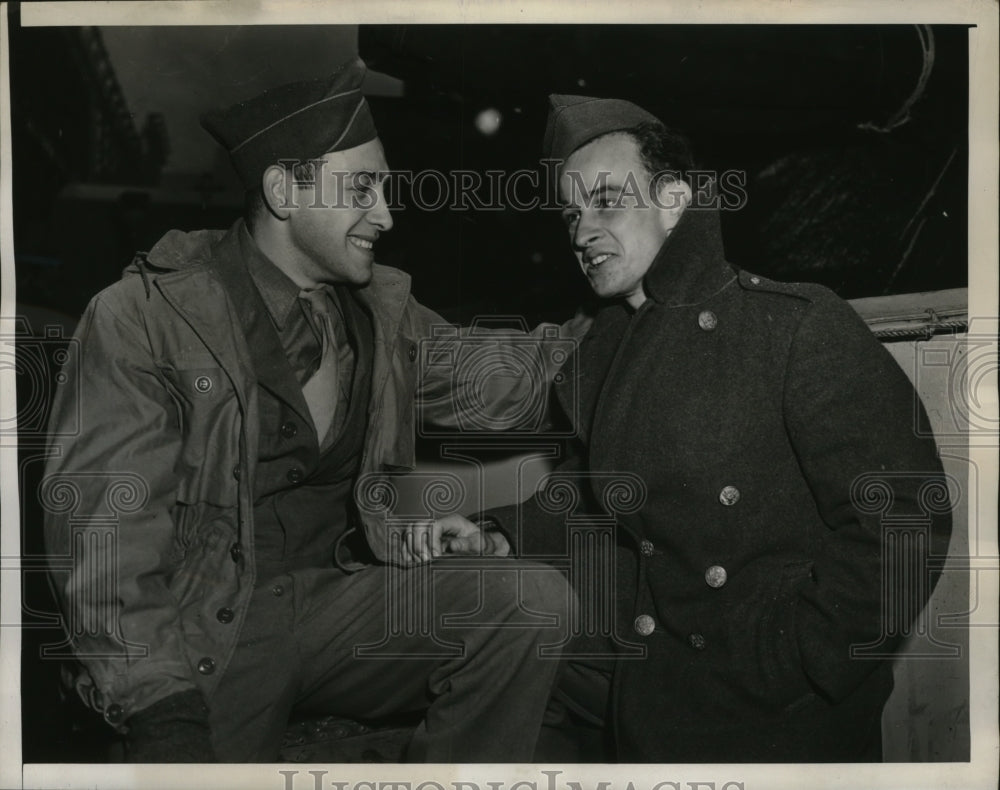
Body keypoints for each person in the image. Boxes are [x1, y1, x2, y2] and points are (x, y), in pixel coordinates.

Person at [42, 59, 578, 763]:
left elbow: (505, 377)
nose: (386, 214)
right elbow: (105, 532)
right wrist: (159, 705)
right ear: (283, 191)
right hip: (208, 631)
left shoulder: (380, 314)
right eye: (363, 189)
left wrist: (631, 315)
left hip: (336, 604)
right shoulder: (145, 317)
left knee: (529, 603)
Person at [421, 94, 952, 762]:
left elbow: (905, 518)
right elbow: (593, 498)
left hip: (776, 716)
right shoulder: (604, 352)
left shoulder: (793, 326)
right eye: (571, 212)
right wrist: (498, 535)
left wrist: (804, 659)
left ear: (673, 200)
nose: (583, 232)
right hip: (642, 681)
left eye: (607, 200)